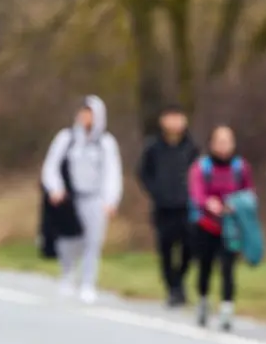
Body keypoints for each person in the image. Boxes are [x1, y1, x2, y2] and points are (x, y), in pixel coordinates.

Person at [39, 95, 123, 304]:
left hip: (94, 197)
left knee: (93, 242)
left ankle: (88, 283)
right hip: (70, 197)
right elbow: (51, 166)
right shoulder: (66, 138)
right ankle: (67, 273)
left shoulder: (105, 142)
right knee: (68, 239)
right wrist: (55, 189)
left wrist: (111, 200)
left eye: (90, 113)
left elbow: (112, 173)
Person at [188, 125, 255, 331]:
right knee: (205, 266)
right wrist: (208, 203)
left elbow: (249, 193)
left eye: (227, 141)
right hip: (206, 225)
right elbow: (196, 193)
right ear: (212, 143)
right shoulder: (202, 167)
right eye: (219, 141)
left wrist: (237, 204)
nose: (223, 146)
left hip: (231, 226)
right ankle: (203, 301)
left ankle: (227, 307)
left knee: (228, 268)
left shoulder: (240, 167)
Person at [138, 104, 200, 307]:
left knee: (189, 247)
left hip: (186, 205)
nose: (174, 122)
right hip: (163, 206)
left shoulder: (192, 147)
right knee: (165, 248)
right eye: (170, 117)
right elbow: (143, 173)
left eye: (178, 117)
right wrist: (156, 191)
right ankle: (172, 288)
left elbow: (200, 173)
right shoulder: (153, 147)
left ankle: (180, 280)